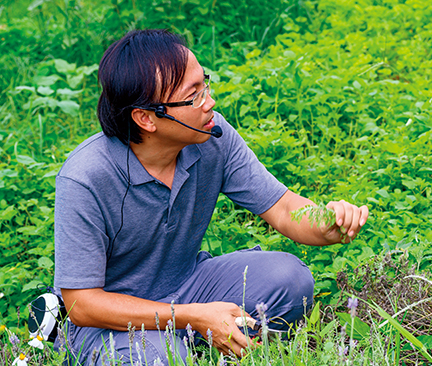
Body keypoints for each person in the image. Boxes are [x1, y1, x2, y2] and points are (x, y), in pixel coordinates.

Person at [47, 30, 369, 365]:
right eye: (194, 96)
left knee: (290, 279)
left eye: (206, 85)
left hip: (188, 285)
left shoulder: (212, 136)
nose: (209, 102)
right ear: (146, 118)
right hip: (106, 320)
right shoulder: (85, 177)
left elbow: (284, 208)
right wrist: (192, 317)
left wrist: (327, 222)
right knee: (165, 358)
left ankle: (198, 339)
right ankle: (174, 344)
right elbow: (80, 303)